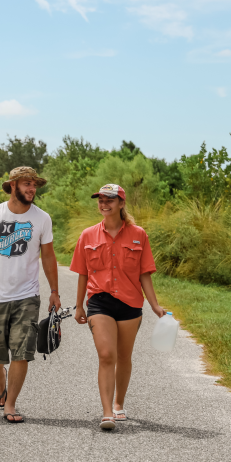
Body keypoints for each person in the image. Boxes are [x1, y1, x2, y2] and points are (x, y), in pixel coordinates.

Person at [0, 166, 61, 423]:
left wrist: (54, 291)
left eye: (34, 184)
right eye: (27, 183)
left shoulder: (42, 218)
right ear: (13, 185)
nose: (32, 188)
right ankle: (0, 377)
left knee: (22, 351)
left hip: (27, 296)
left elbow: (48, 256)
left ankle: (11, 404)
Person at [70, 184, 165, 430]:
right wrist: (79, 306)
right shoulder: (88, 235)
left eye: (110, 199)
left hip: (130, 303)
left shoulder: (139, 234)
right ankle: (107, 412)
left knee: (124, 357)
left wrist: (154, 305)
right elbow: (82, 273)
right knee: (106, 355)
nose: (104, 203)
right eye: (100, 199)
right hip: (99, 302)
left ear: (121, 203)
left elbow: (145, 273)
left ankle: (119, 403)